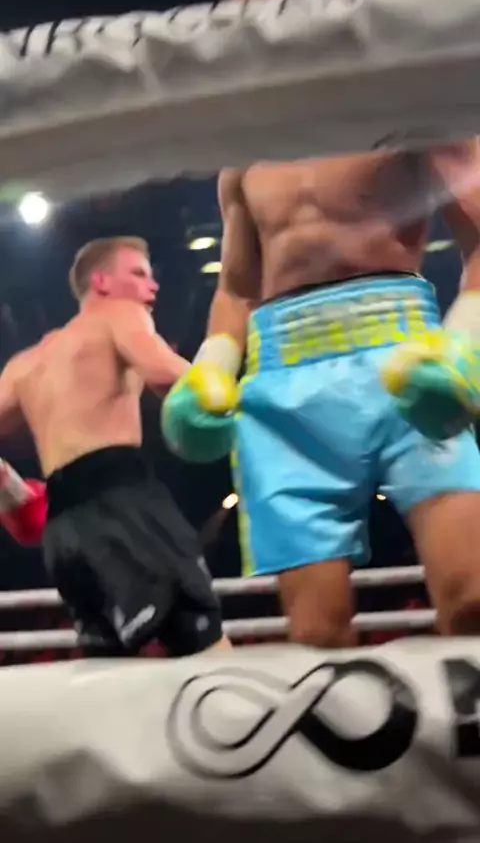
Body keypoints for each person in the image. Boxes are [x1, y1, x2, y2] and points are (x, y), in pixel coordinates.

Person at [162, 138, 480, 648]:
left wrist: (462, 344)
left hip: (404, 364)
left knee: (472, 601)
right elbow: (238, 289)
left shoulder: (411, 118)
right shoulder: (242, 160)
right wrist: (211, 369)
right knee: (316, 633)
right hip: (282, 386)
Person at [0, 236, 230, 657]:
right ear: (101, 282)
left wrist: (16, 497)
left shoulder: (25, 363)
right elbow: (165, 374)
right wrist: (236, 398)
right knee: (207, 652)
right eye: (139, 273)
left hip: (63, 529)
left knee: (114, 668)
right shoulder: (119, 313)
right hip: (122, 503)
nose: (152, 286)